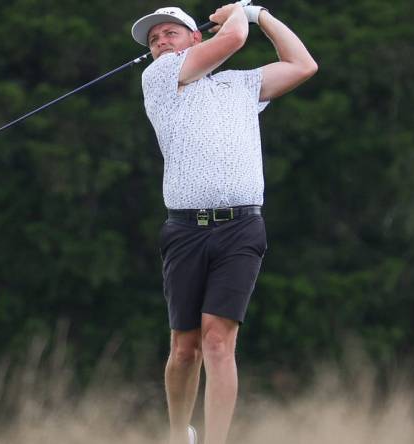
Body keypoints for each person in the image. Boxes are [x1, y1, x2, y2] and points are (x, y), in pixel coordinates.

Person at [130, 3, 317, 444]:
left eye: (169, 33)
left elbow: (303, 64)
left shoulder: (240, 85)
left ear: (195, 37)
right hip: (185, 230)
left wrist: (261, 15)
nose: (159, 42)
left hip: (241, 228)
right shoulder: (159, 79)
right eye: (154, 39)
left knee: (218, 344)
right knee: (184, 349)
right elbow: (232, 39)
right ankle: (179, 435)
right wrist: (238, 13)